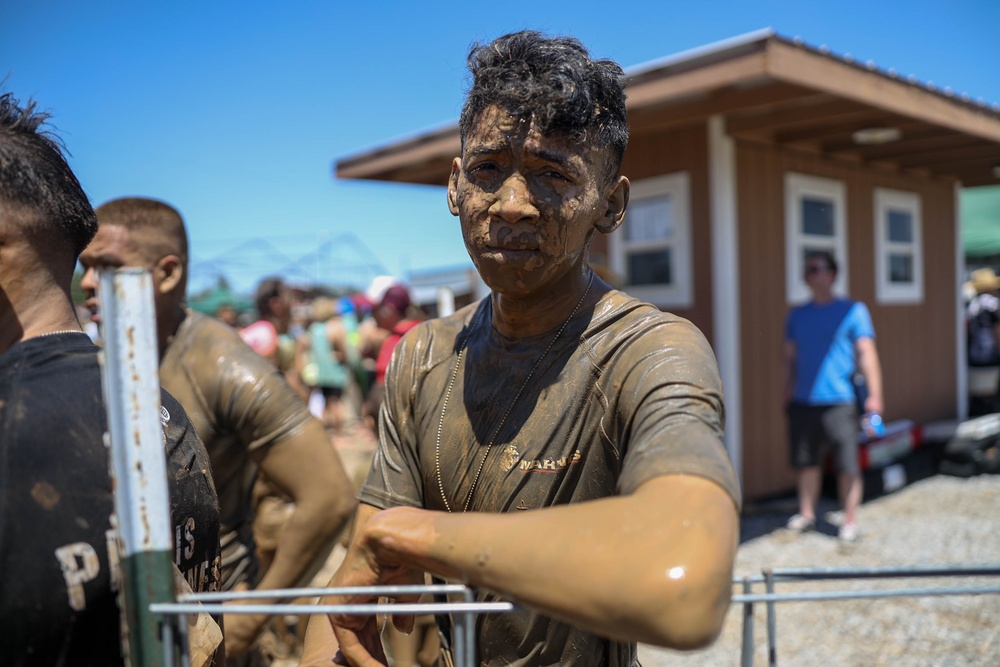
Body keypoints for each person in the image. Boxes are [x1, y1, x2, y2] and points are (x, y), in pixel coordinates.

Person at [301, 31, 741, 667]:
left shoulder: (649, 351)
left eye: (553, 175)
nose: (513, 206)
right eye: (487, 170)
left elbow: (688, 584)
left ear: (610, 205)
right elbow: (353, 589)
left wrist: (422, 534)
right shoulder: (423, 356)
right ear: (455, 187)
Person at [79, 197, 357, 663]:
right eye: (85, 266)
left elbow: (328, 496)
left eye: (107, 266)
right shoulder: (105, 355)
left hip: (211, 628)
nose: (88, 283)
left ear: (166, 274)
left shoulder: (222, 365)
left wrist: (253, 615)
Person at [0, 92, 222, 666]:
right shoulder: (155, 404)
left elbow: (321, 493)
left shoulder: (13, 423)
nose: (99, 285)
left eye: (113, 271)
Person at [783, 250, 884, 543]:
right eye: (809, 270)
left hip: (841, 401)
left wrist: (874, 397)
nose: (813, 274)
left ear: (833, 274)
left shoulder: (854, 311)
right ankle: (807, 513)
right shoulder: (797, 315)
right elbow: (788, 359)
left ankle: (849, 521)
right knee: (806, 462)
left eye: (818, 268)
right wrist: (785, 391)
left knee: (847, 465)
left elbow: (867, 354)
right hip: (803, 401)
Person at [965, 267, 1000, 415]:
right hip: (990, 355)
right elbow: (997, 331)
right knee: (991, 395)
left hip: (974, 356)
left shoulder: (971, 305)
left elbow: (967, 331)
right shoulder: (993, 304)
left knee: (979, 396)